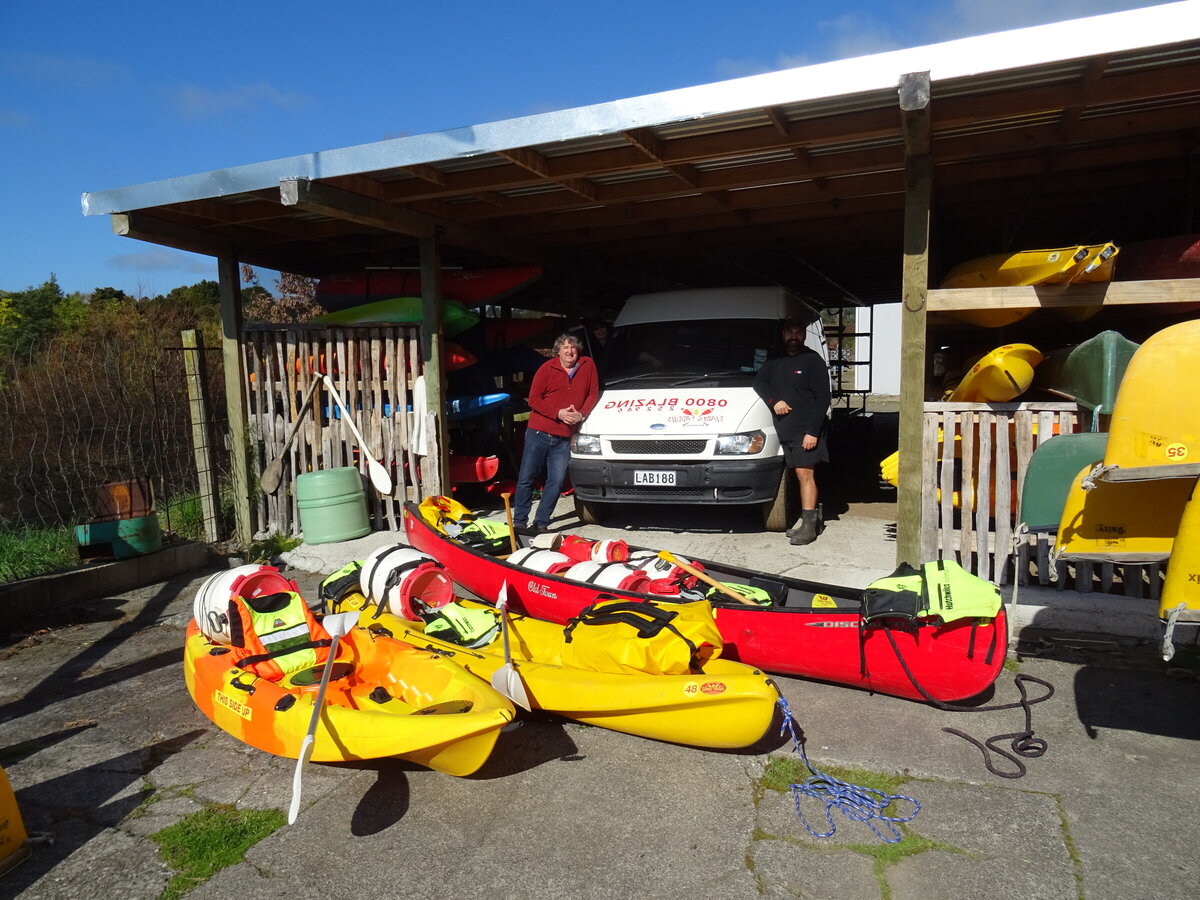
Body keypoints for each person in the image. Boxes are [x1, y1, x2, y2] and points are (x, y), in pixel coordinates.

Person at [753, 317, 831, 545]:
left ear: (805, 336)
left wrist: (813, 432)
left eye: (798, 332)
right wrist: (774, 400)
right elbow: (759, 382)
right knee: (798, 475)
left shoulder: (812, 360)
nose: (794, 336)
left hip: (806, 429)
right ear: (784, 334)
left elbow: (823, 398)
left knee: (805, 474)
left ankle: (808, 527)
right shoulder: (774, 360)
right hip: (785, 430)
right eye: (790, 332)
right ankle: (812, 520)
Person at [513, 333, 599, 534]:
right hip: (539, 433)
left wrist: (582, 414)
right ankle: (519, 522)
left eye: (573, 348)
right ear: (558, 351)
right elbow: (533, 399)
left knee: (557, 481)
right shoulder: (546, 368)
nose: (570, 352)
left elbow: (593, 393)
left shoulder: (588, 366)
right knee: (527, 477)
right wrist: (558, 413)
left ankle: (541, 521)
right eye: (565, 348)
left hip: (563, 437)